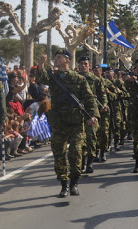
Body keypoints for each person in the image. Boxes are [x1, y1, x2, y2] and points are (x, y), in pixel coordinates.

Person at [37, 51, 99, 197]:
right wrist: (40, 64)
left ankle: (74, 183)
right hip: (58, 122)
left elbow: (89, 98)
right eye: (56, 57)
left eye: (59, 57)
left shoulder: (78, 79)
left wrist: (93, 116)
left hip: (76, 122)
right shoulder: (53, 77)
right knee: (59, 154)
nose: (56, 59)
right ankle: (63, 185)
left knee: (76, 153)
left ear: (67, 60)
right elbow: (40, 78)